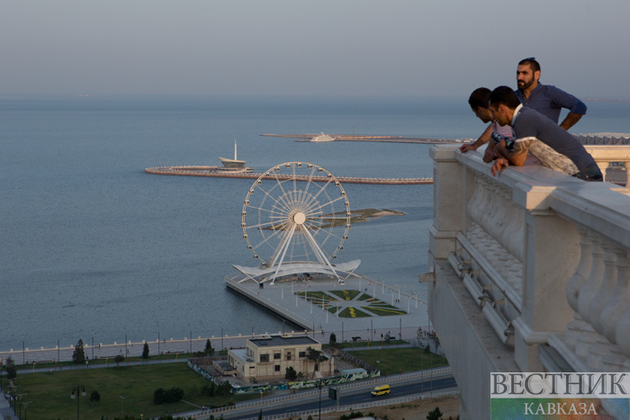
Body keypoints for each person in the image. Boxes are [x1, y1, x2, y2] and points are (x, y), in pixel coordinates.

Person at [487, 86, 601, 181]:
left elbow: (518, 160)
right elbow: (519, 153)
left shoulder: (524, 119)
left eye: (493, 111)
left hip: (583, 172)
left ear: (502, 109)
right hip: (581, 170)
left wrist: (501, 148)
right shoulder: (524, 116)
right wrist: (505, 158)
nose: (493, 117)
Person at [516, 57, 587, 129]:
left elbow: (579, 106)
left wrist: (561, 130)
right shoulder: (513, 97)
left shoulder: (549, 92)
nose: (519, 77)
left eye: (524, 73)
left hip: (546, 140)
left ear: (536, 75)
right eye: (518, 73)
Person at [459, 87, 513, 162]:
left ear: (480, 110)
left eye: (475, 112)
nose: (477, 116)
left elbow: (505, 146)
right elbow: (491, 145)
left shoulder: (502, 123)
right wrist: (478, 147)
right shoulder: (495, 123)